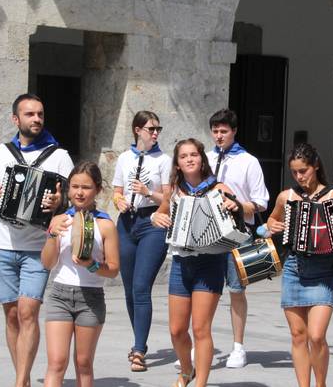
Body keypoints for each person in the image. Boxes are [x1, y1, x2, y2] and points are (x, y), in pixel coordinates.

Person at [0, 93, 73, 387]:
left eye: (40, 114)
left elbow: (74, 194)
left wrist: (58, 202)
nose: (37, 119)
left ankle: (19, 383)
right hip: (2, 244)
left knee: (28, 311)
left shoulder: (58, 156)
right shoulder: (2, 152)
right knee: (12, 314)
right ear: (16, 119)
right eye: (30, 114)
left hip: (37, 246)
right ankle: (24, 378)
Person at [267, 143, 333, 387]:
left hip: (324, 271)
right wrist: (272, 225)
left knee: (316, 335)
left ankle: (320, 384)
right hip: (294, 268)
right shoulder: (287, 197)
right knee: (298, 335)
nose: (300, 177)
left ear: (316, 166)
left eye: (304, 171)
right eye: (295, 172)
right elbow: (272, 218)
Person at [151, 138, 241, 387]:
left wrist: (234, 206)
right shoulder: (174, 190)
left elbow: (241, 217)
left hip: (210, 262)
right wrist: (155, 218)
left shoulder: (218, 187)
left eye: (194, 155)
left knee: (201, 328)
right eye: (184, 156)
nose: (190, 159)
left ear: (202, 159)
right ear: (177, 164)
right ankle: (187, 370)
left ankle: (200, 382)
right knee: (177, 330)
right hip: (181, 262)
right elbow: (161, 211)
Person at [41, 162, 120, 387]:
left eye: (86, 187)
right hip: (60, 295)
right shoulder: (59, 220)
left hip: (91, 297)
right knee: (56, 362)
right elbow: (47, 263)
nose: (79, 192)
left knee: (83, 362)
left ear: (97, 190)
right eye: (74, 186)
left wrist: (92, 265)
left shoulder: (105, 225)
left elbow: (113, 269)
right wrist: (51, 235)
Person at [206, 109, 269, 368]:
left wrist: (239, 205)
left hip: (237, 231)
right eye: (215, 131)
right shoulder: (205, 158)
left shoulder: (248, 161)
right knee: (205, 290)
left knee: (235, 290)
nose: (219, 136)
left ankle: (238, 347)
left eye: (224, 131)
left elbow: (262, 202)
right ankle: (202, 344)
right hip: (209, 231)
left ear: (234, 132)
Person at [111, 111, 171, 372]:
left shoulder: (164, 160)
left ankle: (138, 349)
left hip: (152, 224)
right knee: (128, 289)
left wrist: (148, 192)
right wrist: (118, 201)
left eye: (158, 128)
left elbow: (168, 199)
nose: (155, 133)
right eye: (150, 128)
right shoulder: (125, 158)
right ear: (137, 130)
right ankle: (139, 342)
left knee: (141, 287)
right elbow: (116, 191)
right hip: (126, 222)